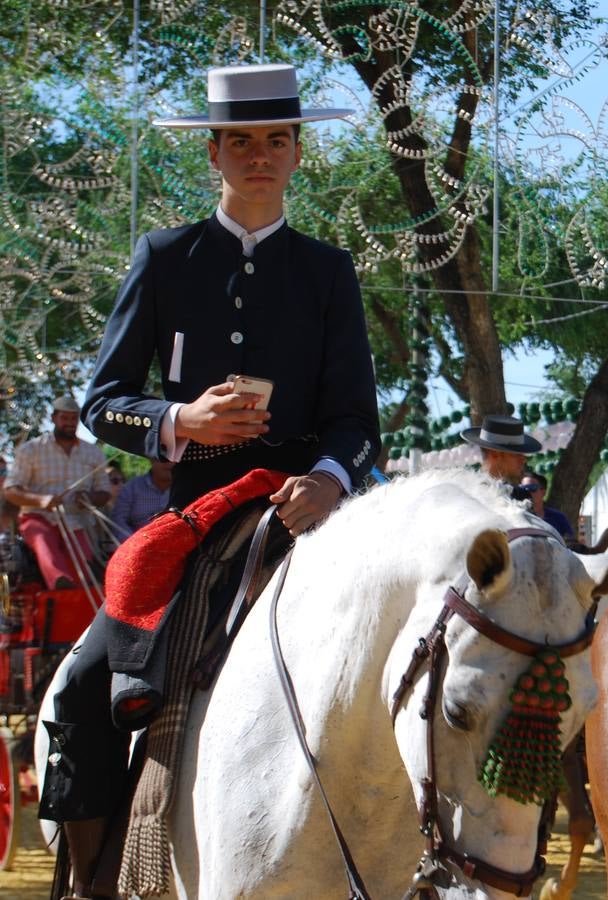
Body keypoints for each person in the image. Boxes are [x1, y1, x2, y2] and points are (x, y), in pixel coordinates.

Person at [43, 63, 380, 897]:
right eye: (240, 141)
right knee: (83, 686)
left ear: (298, 153)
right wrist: (178, 421)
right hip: (196, 519)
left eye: (275, 140)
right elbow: (102, 404)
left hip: (310, 515)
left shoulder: (329, 270)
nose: (258, 155)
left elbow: (358, 422)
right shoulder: (165, 258)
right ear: (215, 156)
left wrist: (331, 481)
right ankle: (93, 883)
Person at [3, 396, 111, 590]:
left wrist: (88, 498)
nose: (69, 423)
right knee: (43, 540)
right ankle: (60, 582)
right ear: (53, 418)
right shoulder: (31, 450)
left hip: (77, 520)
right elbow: (11, 490)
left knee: (84, 558)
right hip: (38, 517)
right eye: (64, 418)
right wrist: (42, 500)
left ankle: (80, 591)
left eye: (73, 418)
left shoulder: (93, 453)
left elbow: (104, 492)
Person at [462, 414, 541, 500]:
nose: (523, 460)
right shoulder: (467, 496)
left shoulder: (520, 498)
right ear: (495, 453)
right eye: (516, 454)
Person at [109, 459, 173, 534]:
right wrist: (133, 542)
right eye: (164, 458)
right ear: (152, 459)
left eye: (176, 458)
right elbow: (118, 521)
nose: (170, 462)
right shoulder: (131, 488)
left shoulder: (185, 489)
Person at [521, 470, 575, 541]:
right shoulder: (516, 518)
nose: (527, 493)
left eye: (532, 488)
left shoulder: (559, 518)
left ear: (543, 492)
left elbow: (570, 544)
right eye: (523, 489)